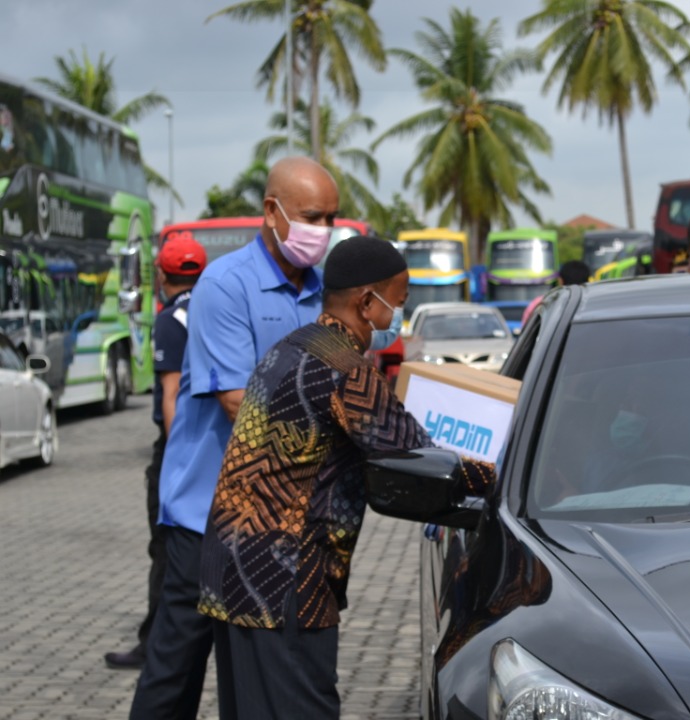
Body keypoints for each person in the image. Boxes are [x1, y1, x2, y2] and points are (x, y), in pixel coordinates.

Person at [198, 236, 495, 720]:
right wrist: (504, 476)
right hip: (282, 579)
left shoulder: (288, 349)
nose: (395, 318)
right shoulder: (346, 370)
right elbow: (415, 456)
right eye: (397, 304)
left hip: (230, 567)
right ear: (365, 302)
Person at [129, 156, 337, 720]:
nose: (323, 231)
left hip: (275, 520)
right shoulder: (226, 285)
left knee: (256, 679)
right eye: (312, 216)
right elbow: (238, 405)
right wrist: (343, 430)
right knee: (175, 671)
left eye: (332, 218)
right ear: (272, 212)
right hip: (206, 517)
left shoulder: (324, 290)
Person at [105, 235, 207, 671]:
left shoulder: (171, 319)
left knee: (165, 547)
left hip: (180, 448)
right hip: (213, 445)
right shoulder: (213, 309)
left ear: (162, 276)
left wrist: (174, 458)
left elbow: (170, 395)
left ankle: (155, 645)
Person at [521, 259, 591, 326]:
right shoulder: (594, 304)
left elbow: (526, 327)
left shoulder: (542, 303)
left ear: (561, 281)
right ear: (588, 280)